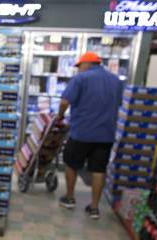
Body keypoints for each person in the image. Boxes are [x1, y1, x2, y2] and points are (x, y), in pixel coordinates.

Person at [56, 51, 123, 219]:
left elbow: (65, 101)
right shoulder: (115, 80)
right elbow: (119, 103)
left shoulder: (81, 78)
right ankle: (94, 208)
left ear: (87, 64)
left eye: (79, 66)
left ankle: (70, 198)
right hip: (106, 134)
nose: (79, 70)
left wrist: (60, 115)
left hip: (81, 133)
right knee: (98, 169)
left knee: (71, 164)